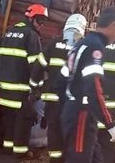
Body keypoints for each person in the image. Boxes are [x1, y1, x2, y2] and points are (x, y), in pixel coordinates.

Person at [62, 6, 115, 163]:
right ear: (114, 25)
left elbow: (61, 79)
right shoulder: (95, 47)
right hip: (82, 115)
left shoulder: (81, 44)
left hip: (74, 112)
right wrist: (110, 124)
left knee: (96, 158)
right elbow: (94, 89)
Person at [0, 3, 48, 160]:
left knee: (10, 118)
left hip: (5, 90)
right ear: (31, 18)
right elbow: (36, 66)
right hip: (21, 91)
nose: (42, 25)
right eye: (40, 21)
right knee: (24, 119)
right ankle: (20, 151)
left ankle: (8, 148)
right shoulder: (31, 36)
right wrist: (38, 88)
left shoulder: (9, 33)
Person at [29, 14, 87, 163]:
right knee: (70, 134)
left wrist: (35, 87)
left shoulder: (54, 44)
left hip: (53, 100)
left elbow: (38, 66)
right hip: (72, 102)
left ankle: (55, 160)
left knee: (54, 132)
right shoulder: (84, 48)